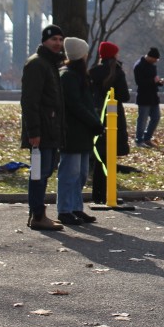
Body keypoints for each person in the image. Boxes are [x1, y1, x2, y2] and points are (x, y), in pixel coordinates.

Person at [21, 24, 66, 232]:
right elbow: (30, 101)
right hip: (42, 130)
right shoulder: (37, 64)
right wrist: (34, 131)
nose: (58, 43)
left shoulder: (49, 63)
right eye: (53, 39)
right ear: (44, 41)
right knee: (39, 172)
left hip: (50, 128)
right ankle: (37, 214)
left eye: (60, 39)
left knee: (44, 171)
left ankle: (38, 213)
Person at [57, 38, 103, 227]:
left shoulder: (77, 75)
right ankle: (64, 209)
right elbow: (75, 105)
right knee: (70, 173)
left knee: (81, 173)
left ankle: (76, 207)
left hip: (83, 131)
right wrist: (94, 122)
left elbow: (86, 103)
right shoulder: (68, 76)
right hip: (72, 131)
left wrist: (94, 122)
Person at [88, 41, 130, 204]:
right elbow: (124, 96)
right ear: (114, 55)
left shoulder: (93, 72)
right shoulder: (117, 72)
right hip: (113, 116)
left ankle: (97, 193)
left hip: (97, 115)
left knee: (100, 155)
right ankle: (108, 192)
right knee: (110, 156)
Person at [133, 47, 164, 148]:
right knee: (142, 119)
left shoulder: (152, 66)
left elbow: (153, 80)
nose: (156, 61)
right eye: (155, 59)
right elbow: (139, 82)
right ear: (150, 57)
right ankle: (139, 140)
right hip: (144, 96)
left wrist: (159, 82)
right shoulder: (139, 66)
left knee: (156, 117)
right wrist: (153, 81)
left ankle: (147, 138)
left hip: (153, 96)